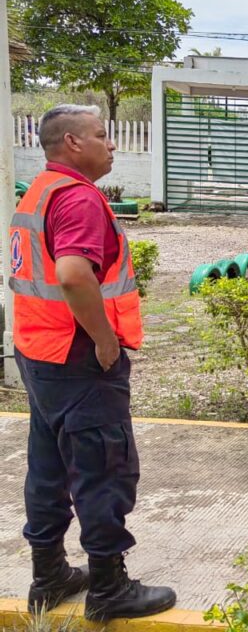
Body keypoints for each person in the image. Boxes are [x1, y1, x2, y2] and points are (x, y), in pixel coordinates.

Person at [9, 104, 176, 621]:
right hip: (78, 356)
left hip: (39, 352)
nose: (112, 144)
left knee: (49, 466)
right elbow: (75, 274)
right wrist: (103, 339)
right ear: (73, 144)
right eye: (103, 135)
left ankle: (50, 574)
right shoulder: (78, 198)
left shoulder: (39, 191)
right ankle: (108, 587)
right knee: (104, 466)